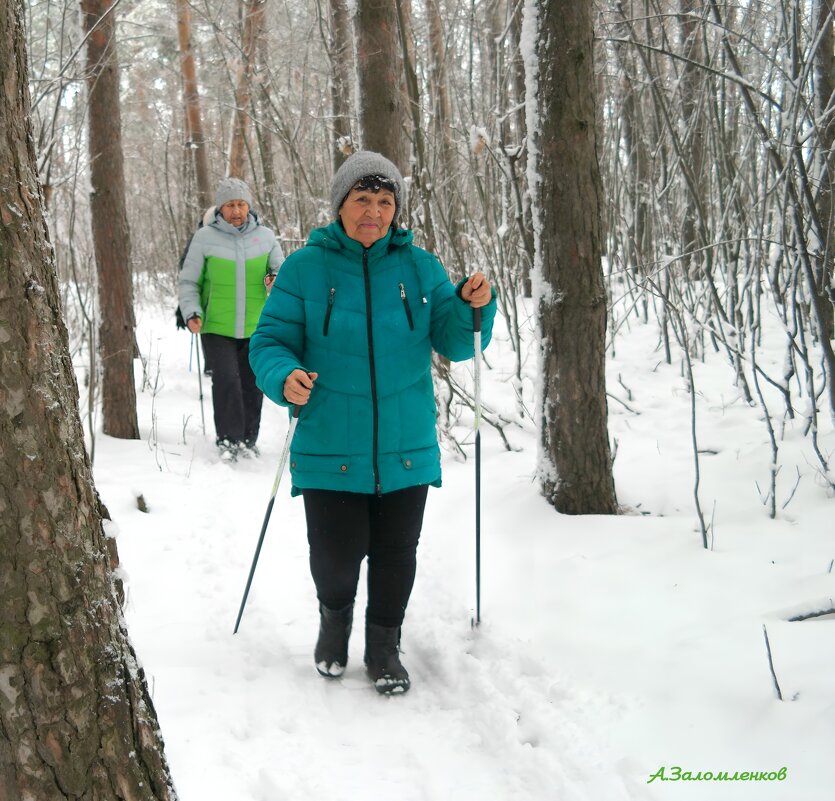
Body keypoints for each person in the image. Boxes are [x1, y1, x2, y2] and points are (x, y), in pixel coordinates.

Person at [249, 151, 496, 694]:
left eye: (385, 202)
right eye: (362, 199)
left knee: (395, 553)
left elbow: (456, 342)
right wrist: (283, 375)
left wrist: (474, 305)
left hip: (406, 443)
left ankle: (385, 645)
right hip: (329, 441)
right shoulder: (304, 269)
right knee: (336, 557)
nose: (374, 212)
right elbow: (270, 341)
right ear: (340, 205)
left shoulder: (419, 267)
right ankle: (334, 621)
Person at [179, 178, 283, 460]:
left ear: (249, 206)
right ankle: (228, 442)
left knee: (252, 383)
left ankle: (249, 440)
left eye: (241, 204)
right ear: (220, 208)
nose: (236, 211)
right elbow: (189, 281)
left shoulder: (266, 237)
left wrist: (274, 280)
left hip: (256, 325)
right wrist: (192, 311)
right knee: (226, 381)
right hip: (216, 326)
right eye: (230, 205)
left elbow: (280, 272)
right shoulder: (205, 238)